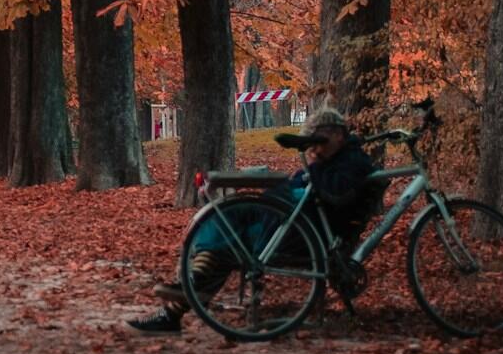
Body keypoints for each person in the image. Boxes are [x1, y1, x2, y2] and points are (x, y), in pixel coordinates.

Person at [127, 109, 380, 334]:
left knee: (228, 242)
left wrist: (308, 173)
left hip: (301, 233)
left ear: (337, 135)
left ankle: (182, 300)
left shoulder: (353, 162)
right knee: (223, 217)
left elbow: (335, 194)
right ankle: (186, 293)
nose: (313, 150)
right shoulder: (330, 161)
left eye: (317, 143)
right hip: (285, 224)